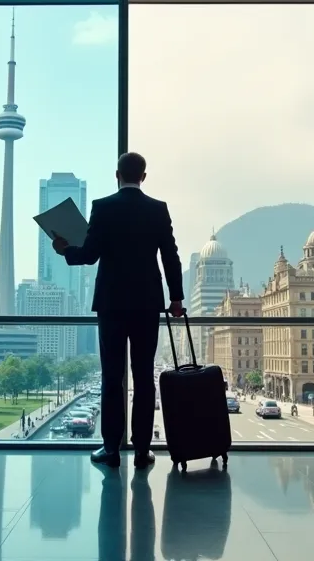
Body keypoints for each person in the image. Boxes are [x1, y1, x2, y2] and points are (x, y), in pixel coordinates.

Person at [51, 152, 183, 469]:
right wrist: (176, 298)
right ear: (144, 176)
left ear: (116, 175)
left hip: (111, 304)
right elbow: (170, 257)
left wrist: (65, 249)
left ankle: (111, 450)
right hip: (147, 304)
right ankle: (141, 451)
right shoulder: (158, 209)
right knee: (143, 376)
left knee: (112, 378)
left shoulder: (103, 207)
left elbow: (90, 255)